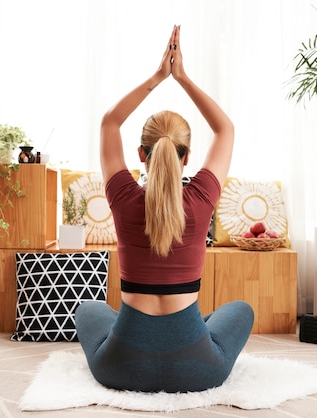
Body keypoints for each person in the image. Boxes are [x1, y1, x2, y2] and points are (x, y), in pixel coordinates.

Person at [75, 25, 254, 393]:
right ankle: (192, 329)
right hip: (199, 369)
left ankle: (162, 335)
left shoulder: (123, 196)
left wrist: (158, 77)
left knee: (89, 309)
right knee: (239, 310)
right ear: (186, 157)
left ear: (141, 154)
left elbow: (109, 121)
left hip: (120, 367)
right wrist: (182, 78)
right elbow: (225, 130)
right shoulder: (202, 197)